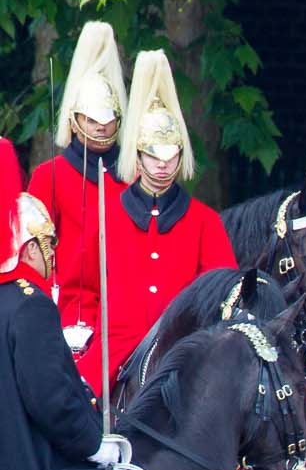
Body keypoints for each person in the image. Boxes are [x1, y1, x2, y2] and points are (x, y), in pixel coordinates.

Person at [0, 139, 213, 470]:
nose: (51, 256)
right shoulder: (29, 304)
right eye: (48, 245)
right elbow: (52, 402)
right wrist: (95, 444)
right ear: (32, 245)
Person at [67, 49, 235, 397]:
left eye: (170, 155)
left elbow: (222, 292)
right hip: (114, 349)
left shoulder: (204, 221)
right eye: (153, 155)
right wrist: (82, 328)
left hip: (183, 349)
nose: (162, 165)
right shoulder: (106, 214)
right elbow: (80, 288)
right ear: (138, 155)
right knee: (73, 405)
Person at [27, 21, 127, 331]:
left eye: (108, 119)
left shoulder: (133, 176)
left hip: (126, 310)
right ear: (75, 119)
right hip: (67, 310)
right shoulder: (49, 176)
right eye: (91, 119)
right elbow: (34, 251)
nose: (101, 127)